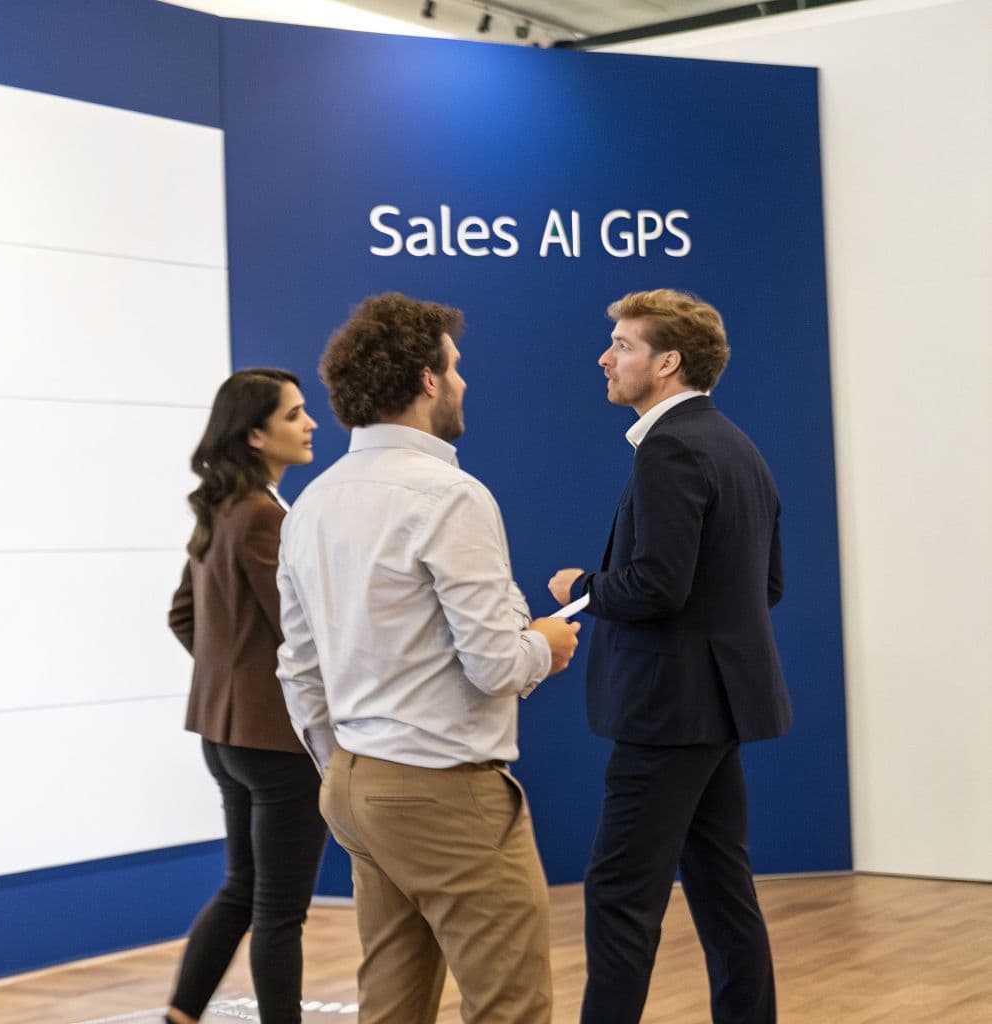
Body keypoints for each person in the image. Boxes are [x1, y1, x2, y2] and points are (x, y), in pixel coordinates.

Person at [276, 293, 579, 1024]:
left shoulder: (311, 503)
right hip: (445, 791)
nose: (464, 381)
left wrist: (345, 767)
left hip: (356, 782)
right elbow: (495, 665)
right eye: (456, 366)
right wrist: (546, 644)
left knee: (393, 1004)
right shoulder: (450, 496)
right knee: (509, 1006)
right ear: (428, 379)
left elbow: (299, 669)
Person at [548, 289, 789, 1024]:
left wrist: (581, 587)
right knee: (721, 887)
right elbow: (767, 586)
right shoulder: (737, 445)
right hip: (715, 707)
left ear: (668, 362)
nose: (605, 358)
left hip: (667, 711)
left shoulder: (672, 447)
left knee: (620, 893)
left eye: (622, 345)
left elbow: (656, 586)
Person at [165, 368, 325, 1024]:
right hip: (274, 743)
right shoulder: (263, 515)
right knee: (280, 912)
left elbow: (183, 616)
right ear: (256, 435)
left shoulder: (223, 509)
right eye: (294, 414)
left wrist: (231, 680)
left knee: (245, 890)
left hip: (223, 737)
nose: (311, 423)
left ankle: (181, 1014)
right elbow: (299, 631)